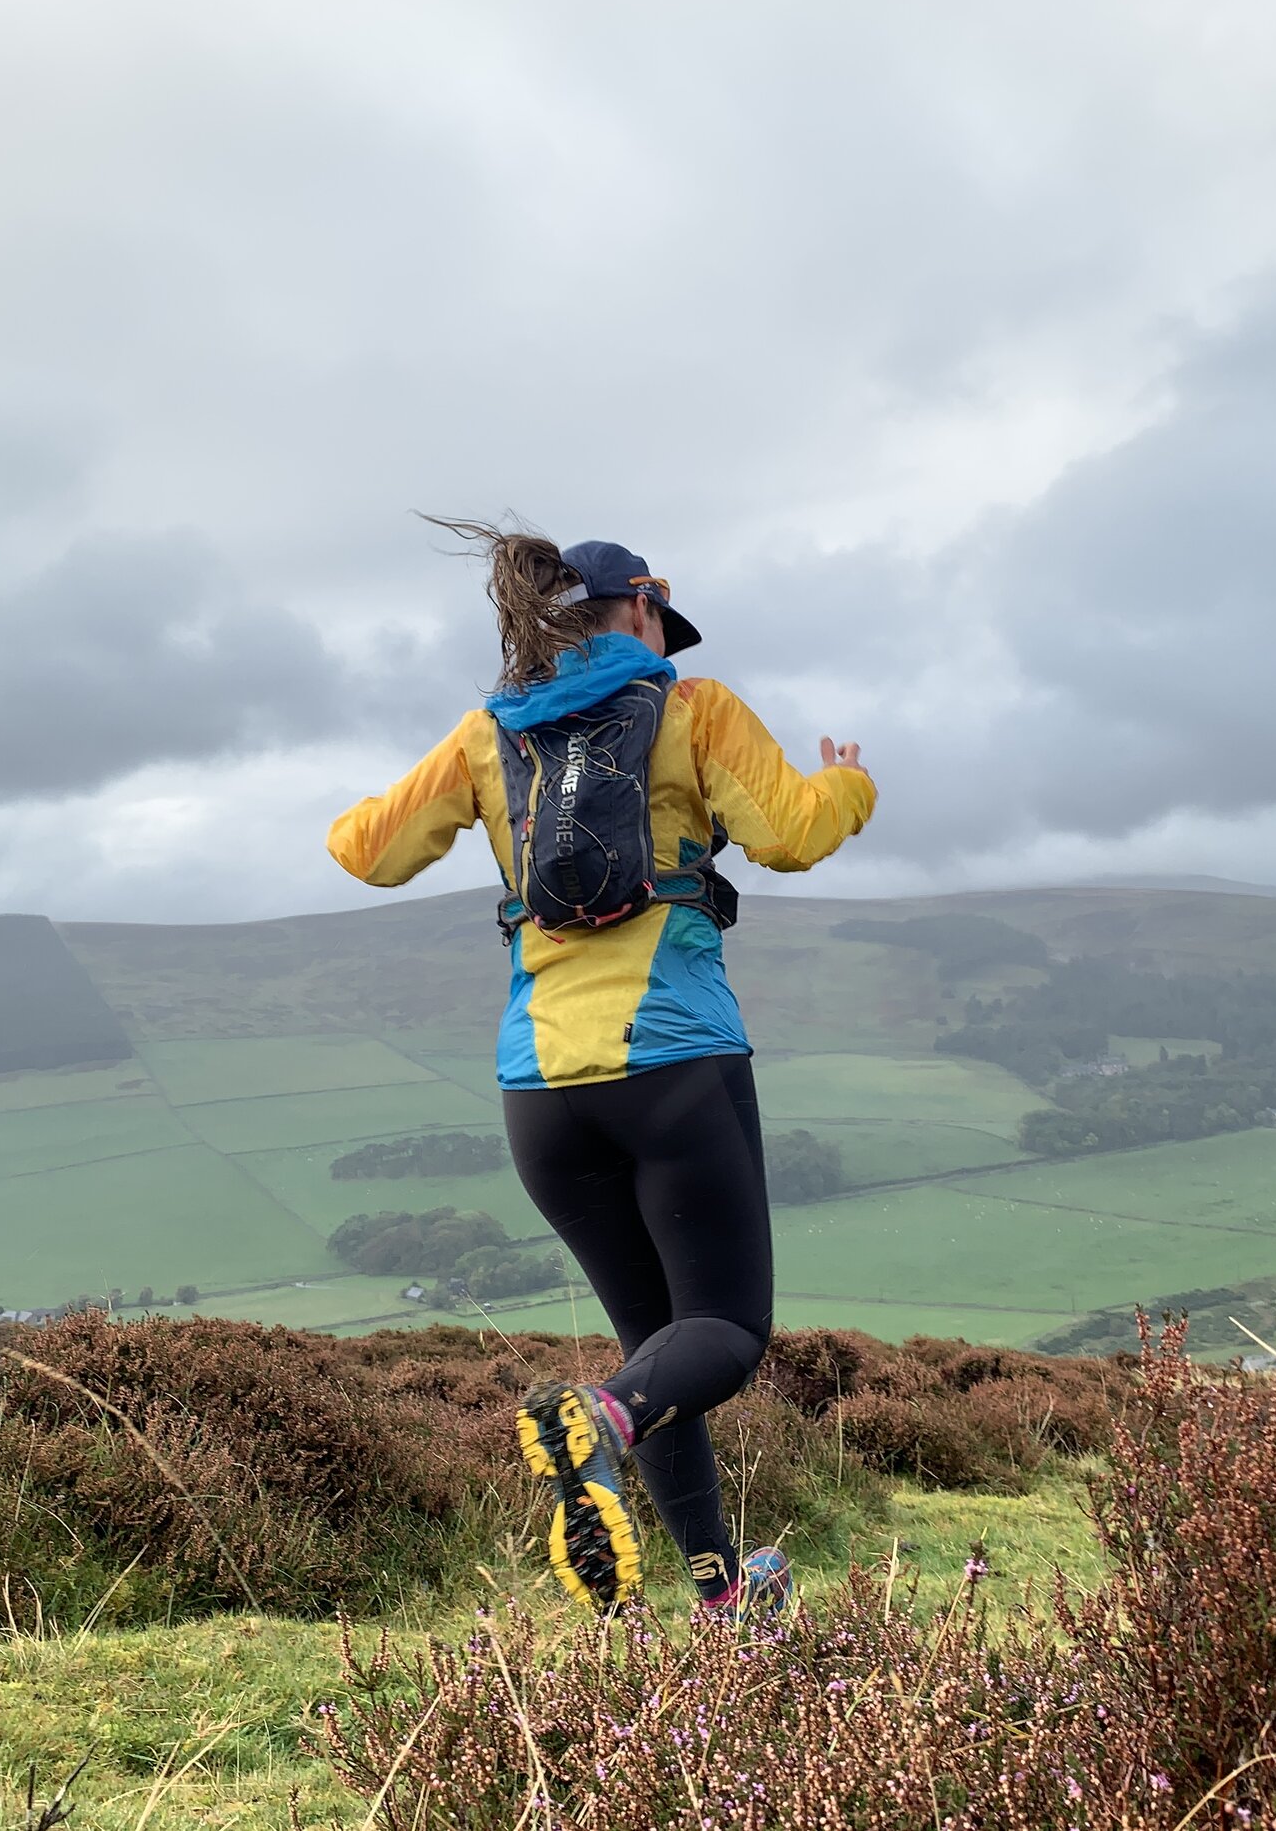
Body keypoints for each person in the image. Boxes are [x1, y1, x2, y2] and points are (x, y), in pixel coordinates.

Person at [325, 521, 875, 1620]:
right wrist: (847, 785)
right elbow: (791, 836)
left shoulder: (488, 735)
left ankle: (719, 1601)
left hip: (539, 1092)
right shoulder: (692, 706)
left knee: (654, 1350)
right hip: (672, 1065)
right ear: (635, 609)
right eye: (661, 620)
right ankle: (601, 1425)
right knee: (723, 1333)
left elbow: (364, 849)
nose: (667, 640)